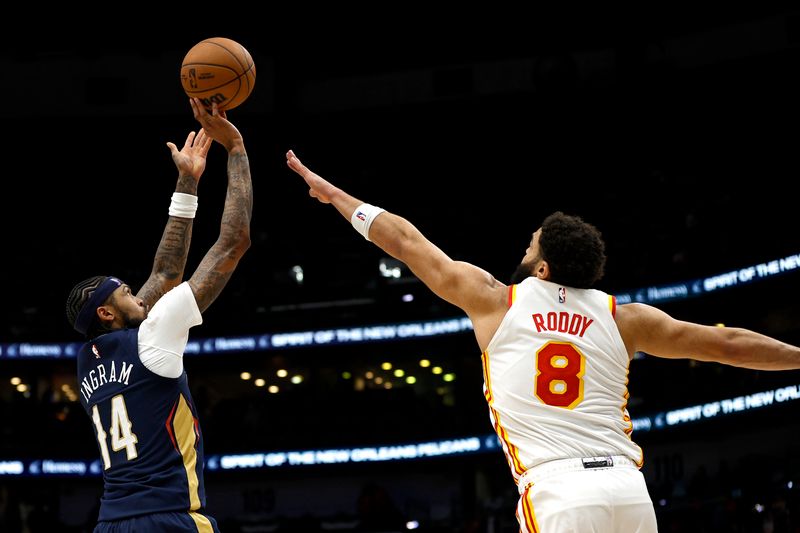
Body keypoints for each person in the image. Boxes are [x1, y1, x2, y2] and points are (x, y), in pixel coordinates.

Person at [285, 149, 800, 532]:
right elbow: (727, 343)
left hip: (558, 490)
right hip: (629, 490)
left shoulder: (495, 300)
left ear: (544, 266)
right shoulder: (626, 319)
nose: (523, 249)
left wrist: (335, 197)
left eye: (529, 246)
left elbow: (406, 242)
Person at [65, 98, 252, 533]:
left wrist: (187, 182)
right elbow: (233, 242)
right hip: (171, 520)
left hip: (110, 523)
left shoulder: (87, 360)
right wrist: (237, 149)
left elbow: (165, 272)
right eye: (128, 292)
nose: (139, 291)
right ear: (108, 312)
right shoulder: (152, 339)